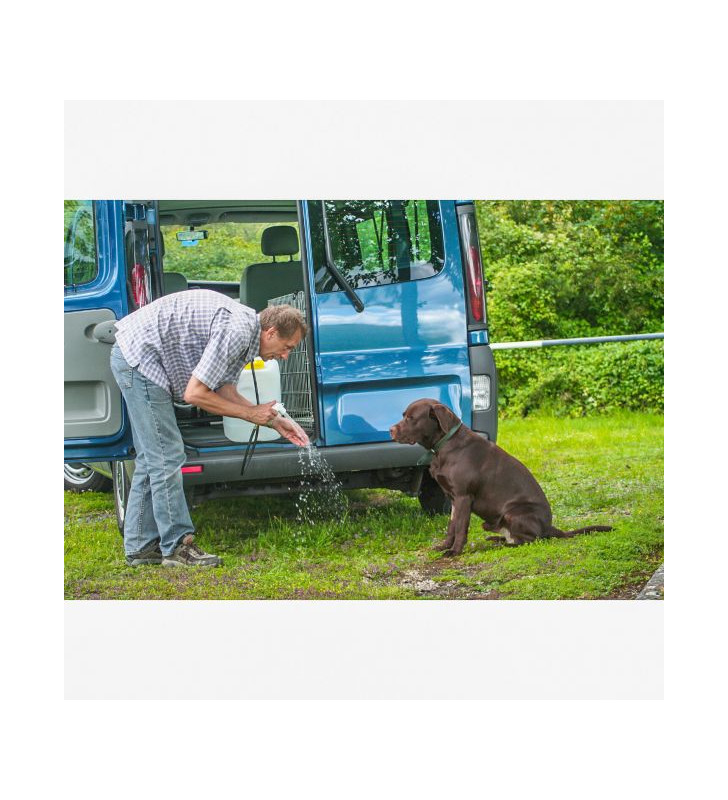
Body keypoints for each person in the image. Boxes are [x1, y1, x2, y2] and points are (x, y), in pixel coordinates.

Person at [109, 290, 309, 568]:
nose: (285, 356)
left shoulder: (246, 336)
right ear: (271, 332)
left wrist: (272, 420)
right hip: (139, 358)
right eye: (287, 347)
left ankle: (140, 547)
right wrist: (251, 413)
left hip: (139, 356)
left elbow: (224, 389)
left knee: (152, 456)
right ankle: (177, 546)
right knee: (167, 455)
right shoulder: (238, 331)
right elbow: (195, 394)